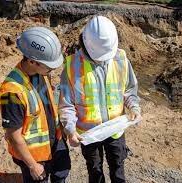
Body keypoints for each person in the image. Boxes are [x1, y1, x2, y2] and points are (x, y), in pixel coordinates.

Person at [59, 16, 142, 183]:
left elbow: (129, 90)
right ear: (86, 45)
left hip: (115, 128)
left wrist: (134, 107)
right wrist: (70, 129)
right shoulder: (72, 66)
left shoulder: (120, 59)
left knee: (118, 167)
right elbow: (66, 104)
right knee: (95, 170)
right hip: (89, 134)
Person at [0, 27, 70, 183]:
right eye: (49, 66)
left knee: (61, 174)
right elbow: (13, 135)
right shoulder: (11, 92)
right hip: (34, 156)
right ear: (32, 61)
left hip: (55, 141)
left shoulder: (41, 72)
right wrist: (32, 166)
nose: (52, 69)